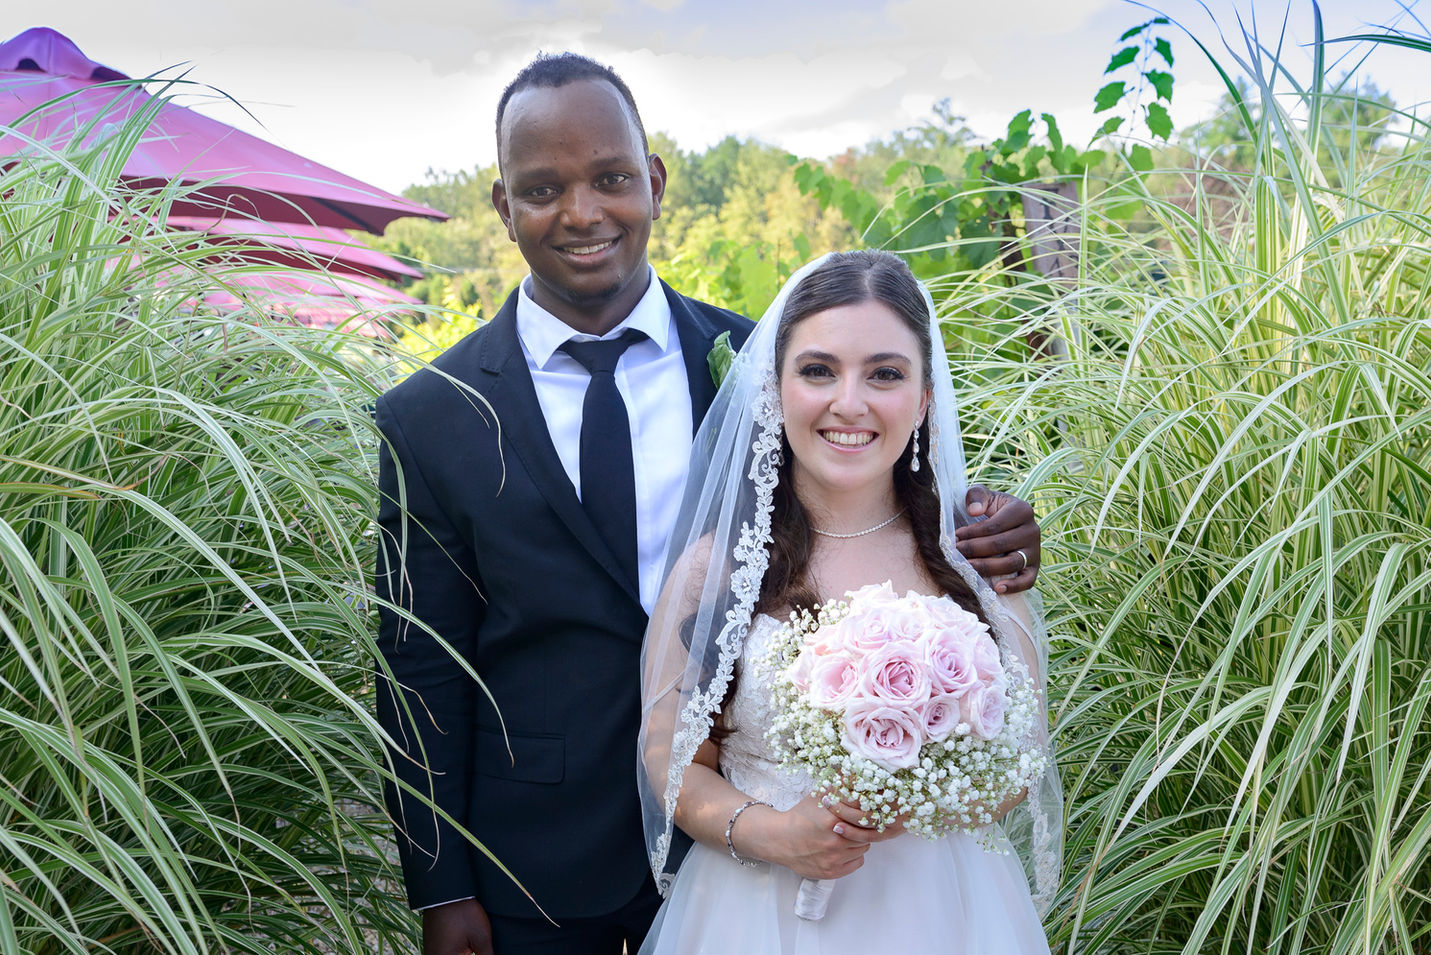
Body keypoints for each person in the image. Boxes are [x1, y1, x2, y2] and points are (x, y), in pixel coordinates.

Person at [374, 54, 1045, 955]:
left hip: (745, 866)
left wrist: (994, 529)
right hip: (533, 862)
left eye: (611, 178)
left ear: (652, 182)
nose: (582, 213)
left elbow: (883, 478)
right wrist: (440, 886)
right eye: (542, 189)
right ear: (503, 206)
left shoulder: (757, 362)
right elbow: (420, 666)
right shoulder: (430, 415)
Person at [637, 250, 1062, 953]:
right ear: (774, 387)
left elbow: (1022, 758)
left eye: (885, 373)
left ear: (924, 396)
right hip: (754, 912)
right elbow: (671, 759)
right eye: (817, 370)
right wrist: (774, 832)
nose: (849, 402)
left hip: (943, 911)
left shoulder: (974, 556)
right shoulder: (715, 567)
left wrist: (913, 800)